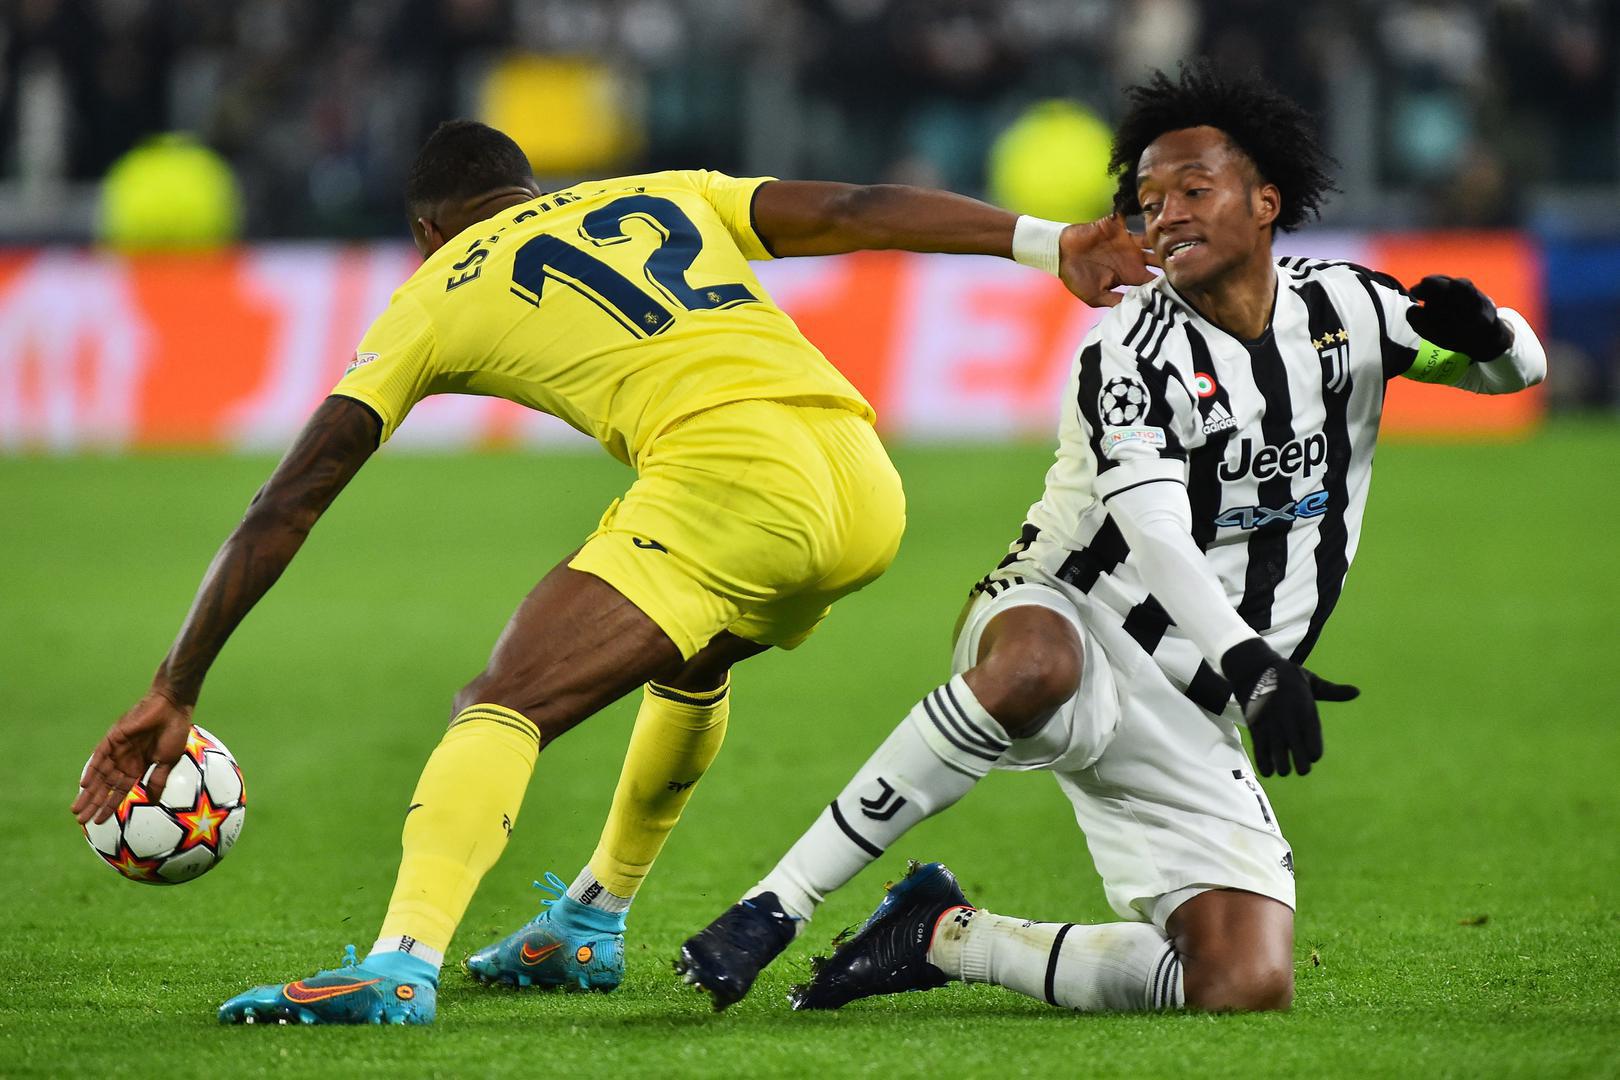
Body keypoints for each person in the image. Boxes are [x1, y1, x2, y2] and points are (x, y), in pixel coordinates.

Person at [69, 120, 1154, 1026]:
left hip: (734, 478)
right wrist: (1048, 241)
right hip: (863, 480)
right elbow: (855, 209)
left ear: (426, 231)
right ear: (532, 189)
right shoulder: (660, 193)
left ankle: (399, 962)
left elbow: (291, 498)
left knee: (501, 702)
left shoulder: (436, 287)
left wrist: (176, 684)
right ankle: (591, 918)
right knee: (695, 652)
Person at [678, 63, 1546, 1014]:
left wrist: (1492, 336)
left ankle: (944, 935)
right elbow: (1154, 529)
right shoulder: (1127, 349)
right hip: (1076, 612)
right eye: (1148, 200)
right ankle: (774, 905)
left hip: (1197, 697)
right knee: (1034, 668)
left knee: (1241, 985)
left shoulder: (1350, 311)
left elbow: (1513, 374)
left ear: (1266, 202)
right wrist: (1253, 661)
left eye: (1193, 191)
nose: (1165, 215)